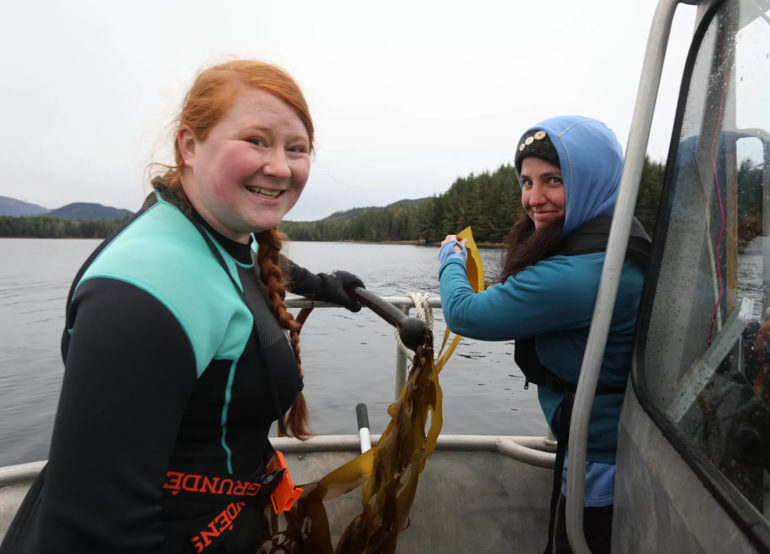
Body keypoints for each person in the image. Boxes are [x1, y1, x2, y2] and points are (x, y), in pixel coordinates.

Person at [1, 59, 365, 553]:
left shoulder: (218, 236)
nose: (280, 166)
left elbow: (259, 267)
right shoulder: (143, 292)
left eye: (295, 148)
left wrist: (326, 287)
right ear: (189, 146)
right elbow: (94, 533)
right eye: (256, 140)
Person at [437, 115, 650, 553]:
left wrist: (450, 259)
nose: (534, 198)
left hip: (599, 460)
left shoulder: (579, 275)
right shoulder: (618, 240)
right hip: (619, 448)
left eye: (553, 180)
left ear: (594, 180)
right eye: (526, 182)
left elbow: (464, 313)